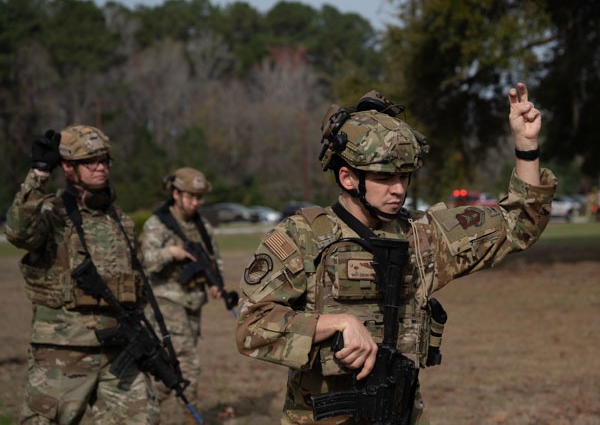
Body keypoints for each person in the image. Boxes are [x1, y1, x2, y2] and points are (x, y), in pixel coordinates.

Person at [235, 83, 557, 424]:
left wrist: (526, 145)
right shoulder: (303, 237)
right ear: (348, 177)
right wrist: (334, 323)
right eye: (385, 178)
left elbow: (518, 222)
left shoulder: (423, 236)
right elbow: (250, 326)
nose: (399, 189)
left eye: (405, 177)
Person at [5, 124, 156, 424]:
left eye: (104, 160)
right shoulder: (51, 213)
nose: (100, 167)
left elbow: (136, 284)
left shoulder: (120, 221)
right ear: (68, 168)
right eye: (90, 161)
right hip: (65, 348)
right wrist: (38, 176)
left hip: (118, 349)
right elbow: (18, 232)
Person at [140, 167, 233, 422]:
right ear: (175, 193)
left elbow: (213, 259)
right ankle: (191, 419)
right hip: (165, 302)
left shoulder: (201, 225)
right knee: (189, 365)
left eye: (199, 197)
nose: (195, 202)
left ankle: (141, 409)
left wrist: (217, 284)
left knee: (171, 368)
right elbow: (142, 261)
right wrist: (170, 253)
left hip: (192, 303)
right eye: (190, 196)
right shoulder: (157, 224)